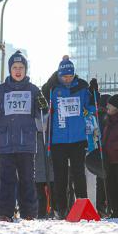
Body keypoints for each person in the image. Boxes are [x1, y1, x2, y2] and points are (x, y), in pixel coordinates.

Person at [0, 51, 44, 222]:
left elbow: (41, 115)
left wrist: (43, 106)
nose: (18, 71)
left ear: (26, 70)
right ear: (10, 69)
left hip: (26, 141)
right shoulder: (1, 90)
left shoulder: (33, 90)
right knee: (6, 180)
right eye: (14, 67)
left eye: (21, 67)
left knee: (27, 179)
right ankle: (5, 212)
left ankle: (29, 212)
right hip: (6, 142)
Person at [41, 56, 97, 219]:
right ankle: (62, 209)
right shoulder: (54, 88)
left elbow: (91, 108)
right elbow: (44, 97)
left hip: (78, 138)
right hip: (58, 140)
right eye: (64, 76)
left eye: (70, 76)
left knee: (79, 174)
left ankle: (82, 205)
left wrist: (94, 93)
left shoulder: (81, 87)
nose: (67, 79)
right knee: (60, 176)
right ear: (59, 75)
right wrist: (53, 79)